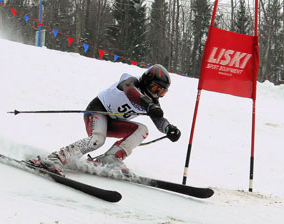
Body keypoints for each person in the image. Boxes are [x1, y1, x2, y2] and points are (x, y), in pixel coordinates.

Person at [29, 64, 181, 176]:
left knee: (142, 129)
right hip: (97, 111)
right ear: (147, 81)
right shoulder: (131, 81)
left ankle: (110, 158)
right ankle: (54, 159)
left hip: (113, 123)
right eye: (155, 89)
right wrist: (148, 105)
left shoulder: (152, 102)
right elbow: (130, 91)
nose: (157, 95)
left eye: (162, 92)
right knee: (98, 140)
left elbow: (159, 120)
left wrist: (169, 128)